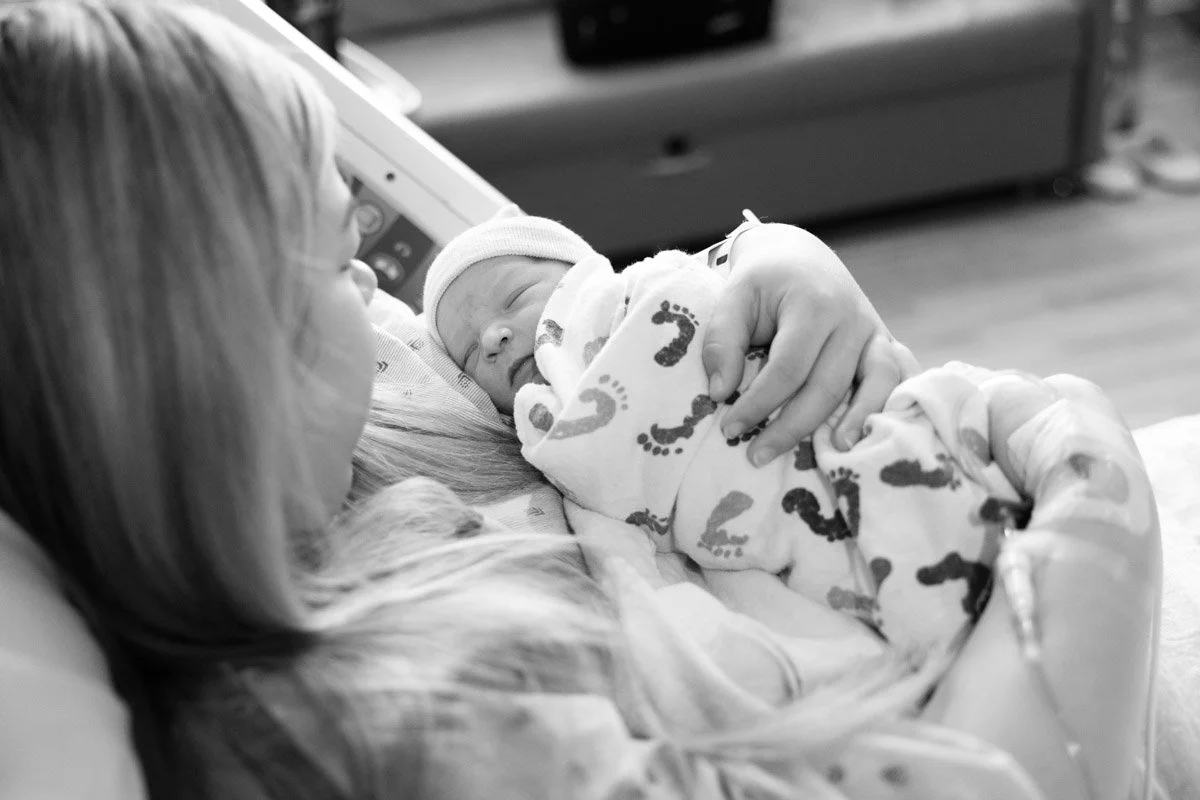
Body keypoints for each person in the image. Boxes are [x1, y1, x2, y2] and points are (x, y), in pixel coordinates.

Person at [0, 3, 1165, 800]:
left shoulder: (368, 422)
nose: (376, 285)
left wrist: (770, 267)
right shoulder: (415, 719)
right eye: (334, 257)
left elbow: (520, 312)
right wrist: (1086, 482)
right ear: (216, 362)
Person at [423, 211, 1032, 656]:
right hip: (766, 532)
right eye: (474, 353)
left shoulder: (637, 292)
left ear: (580, 273)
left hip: (817, 423)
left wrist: (770, 249)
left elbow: (711, 282)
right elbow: (616, 545)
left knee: (920, 448)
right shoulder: (546, 453)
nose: (496, 336)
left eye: (515, 297)